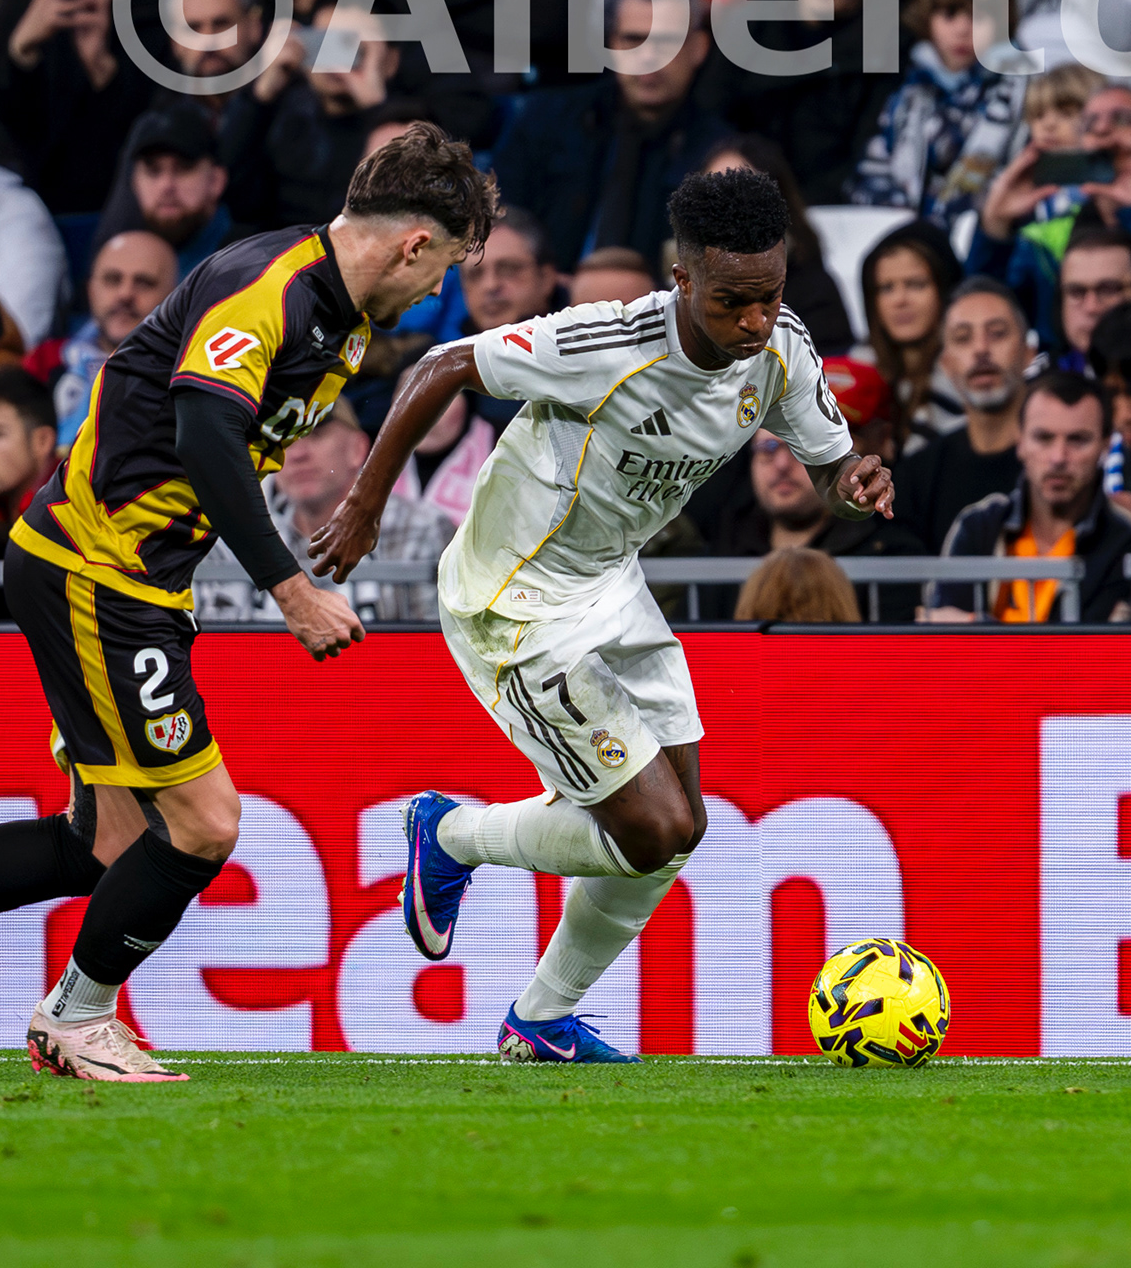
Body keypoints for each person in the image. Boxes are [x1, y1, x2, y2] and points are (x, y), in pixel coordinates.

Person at [0, 125, 494, 1083]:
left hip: (129, 578)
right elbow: (206, 432)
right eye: (445, 267)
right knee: (207, 823)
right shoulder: (270, 289)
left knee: (105, 845)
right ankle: (75, 1017)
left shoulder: (340, 319)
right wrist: (290, 586)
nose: (436, 289)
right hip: (95, 570)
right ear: (415, 243)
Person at [303, 164, 894, 1063]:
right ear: (683, 279)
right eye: (732, 301)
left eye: (769, 296)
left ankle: (540, 1022)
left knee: (682, 829)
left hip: (611, 583)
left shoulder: (781, 348)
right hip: (516, 597)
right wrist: (364, 505)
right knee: (654, 830)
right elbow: (442, 364)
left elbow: (828, 466)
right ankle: (448, 832)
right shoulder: (605, 340)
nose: (755, 321)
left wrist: (851, 484)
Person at [926, 369, 1131, 624]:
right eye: (1044, 438)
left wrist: (978, 624)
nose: (1058, 457)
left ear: (1106, 446)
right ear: (1020, 441)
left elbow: (1094, 649)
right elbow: (943, 636)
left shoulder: (1130, 542)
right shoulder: (978, 526)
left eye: (1077, 440)